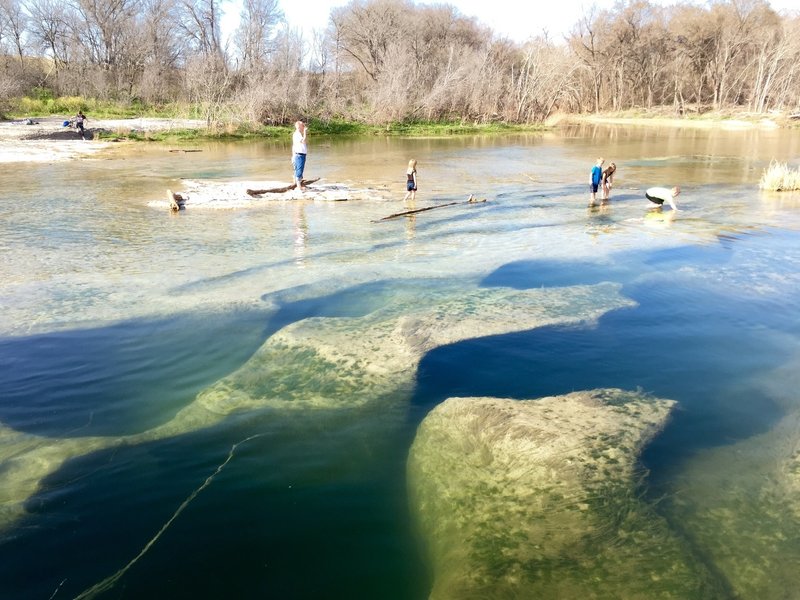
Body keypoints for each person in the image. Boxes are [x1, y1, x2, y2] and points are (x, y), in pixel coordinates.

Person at [291, 120, 308, 190]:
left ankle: (296, 184)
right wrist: (305, 132)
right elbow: (303, 140)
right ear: (299, 127)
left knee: (297, 169)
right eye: (302, 126)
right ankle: (299, 187)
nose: (304, 127)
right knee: (299, 170)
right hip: (299, 155)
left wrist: (292, 155)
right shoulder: (297, 134)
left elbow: (293, 145)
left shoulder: (297, 134)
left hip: (298, 154)